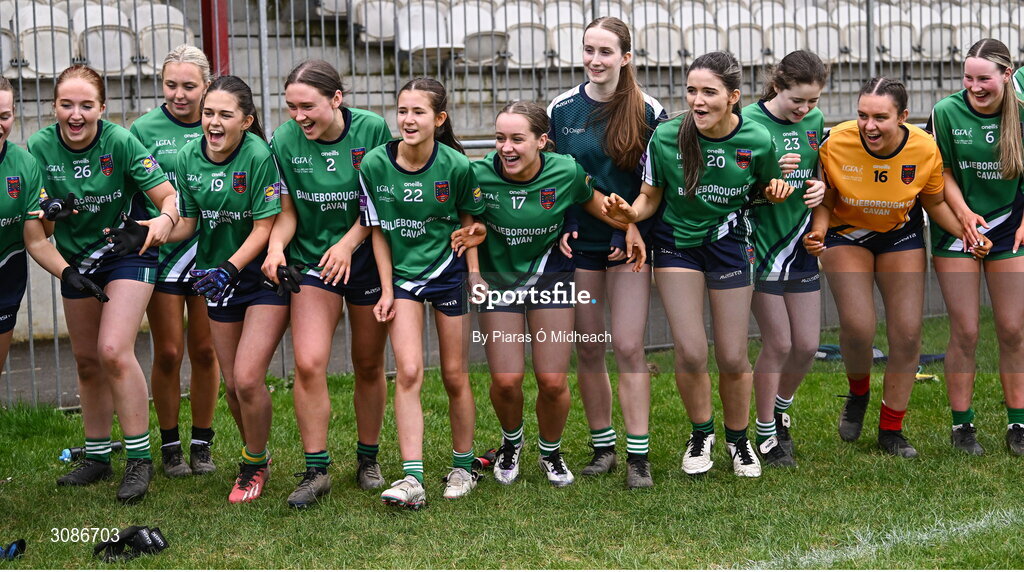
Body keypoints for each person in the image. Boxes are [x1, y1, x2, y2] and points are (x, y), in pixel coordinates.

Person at [604, 51, 794, 479]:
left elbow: (766, 186)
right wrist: (631, 215)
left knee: (731, 354)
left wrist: (777, 189)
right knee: (690, 351)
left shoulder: (758, 139)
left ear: (733, 97)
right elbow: (650, 197)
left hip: (730, 244)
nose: (698, 100)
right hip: (676, 246)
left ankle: (739, 439)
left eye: (709, 92)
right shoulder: (667, 135)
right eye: (692, 91)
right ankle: (700, 433)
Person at [803, 77, 988, 458]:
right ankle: (858, 392)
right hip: (845, 235)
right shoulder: (836, 141)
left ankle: (891, 430)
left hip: (899, 237)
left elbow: (934, 204)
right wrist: (819, 231)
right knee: (858, 327)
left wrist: (965, 233)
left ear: (903, 116)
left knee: (906, 335)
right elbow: (825, 197)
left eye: (880, 117)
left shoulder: (924, 149)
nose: (868, 126)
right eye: (862, 115)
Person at [465, 101, 646, 488]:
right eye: (500, 138)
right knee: (506, 380)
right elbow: (468, 223)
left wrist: (629, 226)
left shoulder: (565, 171)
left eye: (517, 139)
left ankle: (551, 450)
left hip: (551, 279)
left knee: (551, 380)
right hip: (498, 283)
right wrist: (474, 273)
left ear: (542, 141)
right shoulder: (477, 175)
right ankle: (511, 442)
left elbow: (598, 205)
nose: (506, 148)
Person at [32, 65, 179, 503]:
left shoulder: (120, 140)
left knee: (113, 350)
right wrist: (49, 211)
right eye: (66, 105)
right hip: (75, 262)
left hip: (128, 253)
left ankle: (139, 458)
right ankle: (96, 456)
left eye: (86, 105)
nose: (75, 115)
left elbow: (169, 198)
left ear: (102, 107)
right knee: (85, 360)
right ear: (54, 106)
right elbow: (35, 226)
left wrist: (157, 225)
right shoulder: (39, 146)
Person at [265, 60, 392, 508]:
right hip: (313, 262)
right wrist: (276, 247)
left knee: (368, 363)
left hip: (366, 260)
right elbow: (286, 211)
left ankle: (368, 459)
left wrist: (348, 242)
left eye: (307, 106)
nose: (298, 116)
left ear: (336, 99)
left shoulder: (374, 130)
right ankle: (316, 470)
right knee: (309, 363)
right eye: (290, 107)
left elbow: (381, 200)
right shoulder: (282, 140)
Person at [546, 17, 666, 486]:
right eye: (588, 50)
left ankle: (639, 456)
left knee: (629, 345)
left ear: (626, 57)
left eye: (606, 52)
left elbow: (656, 184)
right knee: (590, 347)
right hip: (580, 247)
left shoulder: (647, 109)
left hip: (629, 244)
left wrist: (629, 229)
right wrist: (572, 224)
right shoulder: (561, 109)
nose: (596, 60)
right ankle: (603, 447)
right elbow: (559, 179)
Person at [359, 77, 485, 509]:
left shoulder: (457, 166)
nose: (408, 119)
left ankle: (463, 467)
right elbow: (376, 231)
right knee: (409, 372)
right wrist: (388, 289)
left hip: (449, 276)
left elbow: (470, 225)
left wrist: (473, 273)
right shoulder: (374, 164)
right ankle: (412, 478)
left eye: (418, 112)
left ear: (439, 119)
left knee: (454, 375)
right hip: (405, 282)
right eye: (402, 110)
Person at [164, 75, 286, 503]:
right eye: (208, 113)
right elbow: (189, 221)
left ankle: (251, 467)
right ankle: (261, 455)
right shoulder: (186, 157)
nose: (213, 122)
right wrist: (151, 232)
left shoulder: (257, 155)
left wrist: (232, 268)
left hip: (260, 278)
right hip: (218, 278)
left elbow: (265, 225)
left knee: (249, 379)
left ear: (246, 121)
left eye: (224, 115)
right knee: (232, 385)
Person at [929, 39, 1024, 456]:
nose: (974, 86)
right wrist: (964, 216)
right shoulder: (947, 111)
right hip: (957, 227)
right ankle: (962, 426)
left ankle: (1018, 423)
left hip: (1010, 229)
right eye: (968, 78)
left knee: (1013, 329)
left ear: (1007, 74)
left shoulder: (1021, 112)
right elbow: (942, 171)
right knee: (966, 330)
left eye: (984, 78)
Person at [129, 44, 219, 478]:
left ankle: (201, 443)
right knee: (168, 351)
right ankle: (169, 446)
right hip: (162, 255)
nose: (179, 94)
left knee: (205, 351)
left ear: (206, 86)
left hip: (210, 253)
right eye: (170, 85)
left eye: (189, 86)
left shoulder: (222, 123)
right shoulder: (142, 128)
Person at [741, 50, 828, 467]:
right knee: (778, 342)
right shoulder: (747, 123)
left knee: (808, 345)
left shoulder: (813, 122)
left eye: (812, 101)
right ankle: (766, 435)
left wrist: (818, 190)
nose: (806, 109)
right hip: (759, 244)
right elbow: (729, 187)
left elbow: (818, 172)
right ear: (777, 86)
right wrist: (767, 181)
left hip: (800, 243)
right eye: (798, 100)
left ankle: (779, 410)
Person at [0, 77, 108, 375]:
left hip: (6, 274)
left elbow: (36, 239)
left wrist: (68, 273)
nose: (0, 124)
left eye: (4, 116)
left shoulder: (24, 164)